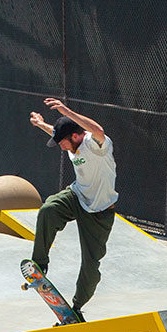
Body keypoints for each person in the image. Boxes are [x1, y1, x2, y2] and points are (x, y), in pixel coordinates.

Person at [25, 98, 118, 319]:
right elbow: (56, 134)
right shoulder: (70, 141)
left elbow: (98, 129)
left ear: (75, 136)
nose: (61, 147)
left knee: (90, 264)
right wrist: (41, 124)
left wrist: (66, 110)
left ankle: (76, 308)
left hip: (100, 211)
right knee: (48, 208)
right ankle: (40, 262)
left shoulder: (97, 146)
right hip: (77, 196)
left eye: (63, 142)